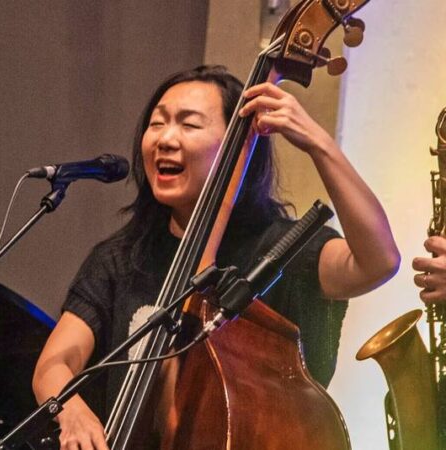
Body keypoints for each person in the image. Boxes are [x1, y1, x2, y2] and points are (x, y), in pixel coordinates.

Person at [31, 65, 400, 450]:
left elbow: (377, 261)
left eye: (189, 125)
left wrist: (317, 143)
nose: (166, 139)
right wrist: (69, 408)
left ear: (238, 146)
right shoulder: (120, 259)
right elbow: (54, 364)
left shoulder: (283, 249)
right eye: (157, 124)